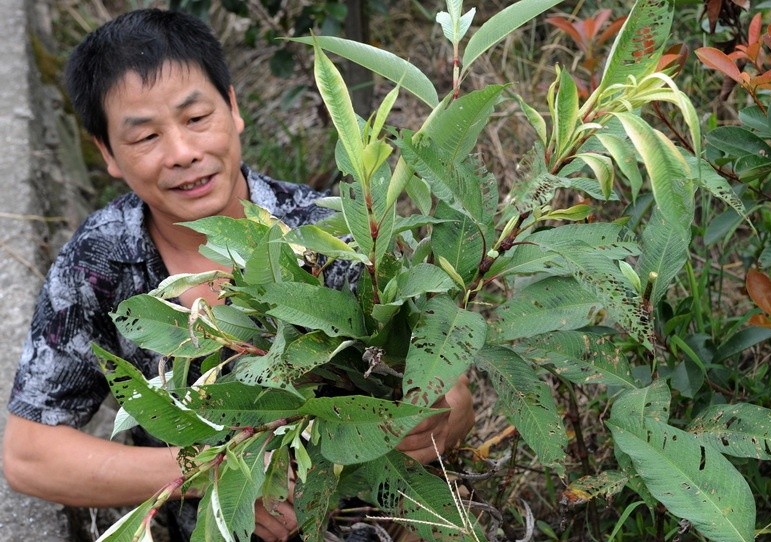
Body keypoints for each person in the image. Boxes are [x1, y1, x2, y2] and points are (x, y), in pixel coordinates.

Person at [1, 8, 474, 542]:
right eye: (145, 136)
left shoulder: (338, 233)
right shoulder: (99, 264)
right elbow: (29, 455)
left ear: (233, 107)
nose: (183, 153)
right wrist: (211, 471)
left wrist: (445, 414)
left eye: (197, 118)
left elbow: (446, 388)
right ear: (107, 153)